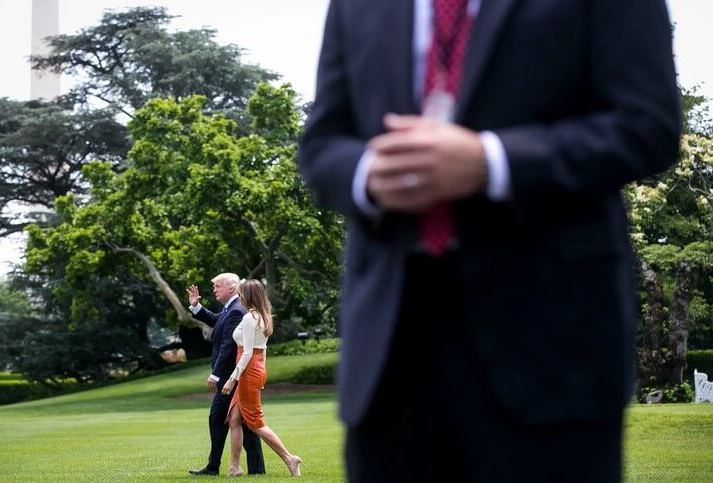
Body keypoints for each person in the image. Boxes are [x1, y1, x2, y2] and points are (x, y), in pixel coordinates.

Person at [297, 0, 681, 481]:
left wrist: (493, 161)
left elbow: (647, 125)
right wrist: (368, 174)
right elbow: (322, 144)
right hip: (389, 355)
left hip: (551, 346)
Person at [222, 279, 304, 477]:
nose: (239, 297)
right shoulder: (263, 316)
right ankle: (235, 467)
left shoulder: (251, 318)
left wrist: (233, 378)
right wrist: (261, 374)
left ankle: (289, 458)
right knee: (234, 417)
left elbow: (247, 353)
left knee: (255, 422)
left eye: (241, 294)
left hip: (248, 370)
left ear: (248, 296)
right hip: (255, 370)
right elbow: (262, 350)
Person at [186, 273, 266, 476]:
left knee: (238, 422)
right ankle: (247, 469)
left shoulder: (237, 310)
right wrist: (196, 307)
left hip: (233, 378)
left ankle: (223, 467)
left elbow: (228, 347)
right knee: (236, 422)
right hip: (231, 377)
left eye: (217, 286)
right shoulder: (230, 309)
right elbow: (217, 322)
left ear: (231, 288)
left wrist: (216, 375)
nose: (214, 289)